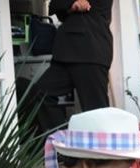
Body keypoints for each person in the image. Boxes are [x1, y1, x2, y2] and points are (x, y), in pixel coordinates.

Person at [35, 0, 113, 132]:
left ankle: (104, 150)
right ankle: (62, 143)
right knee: (41, 94)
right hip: (65, 52)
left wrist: (69, 7)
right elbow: (54, 6)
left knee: (96, 112)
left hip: (90, 51)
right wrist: (71, 6)